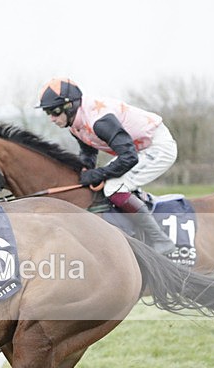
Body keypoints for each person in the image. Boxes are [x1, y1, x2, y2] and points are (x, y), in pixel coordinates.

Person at [37, 77, 177, 254]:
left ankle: (160, 240)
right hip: (137, 150)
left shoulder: (99, 121)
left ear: (69, 106)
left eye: (54, 111)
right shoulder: (75, 124)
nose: (51, 118)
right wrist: (85, 170)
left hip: (157, 147)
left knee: (113, 187)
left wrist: (99, 174)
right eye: (47, 112)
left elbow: (129, 158)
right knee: (107, 183)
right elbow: (88, 151)